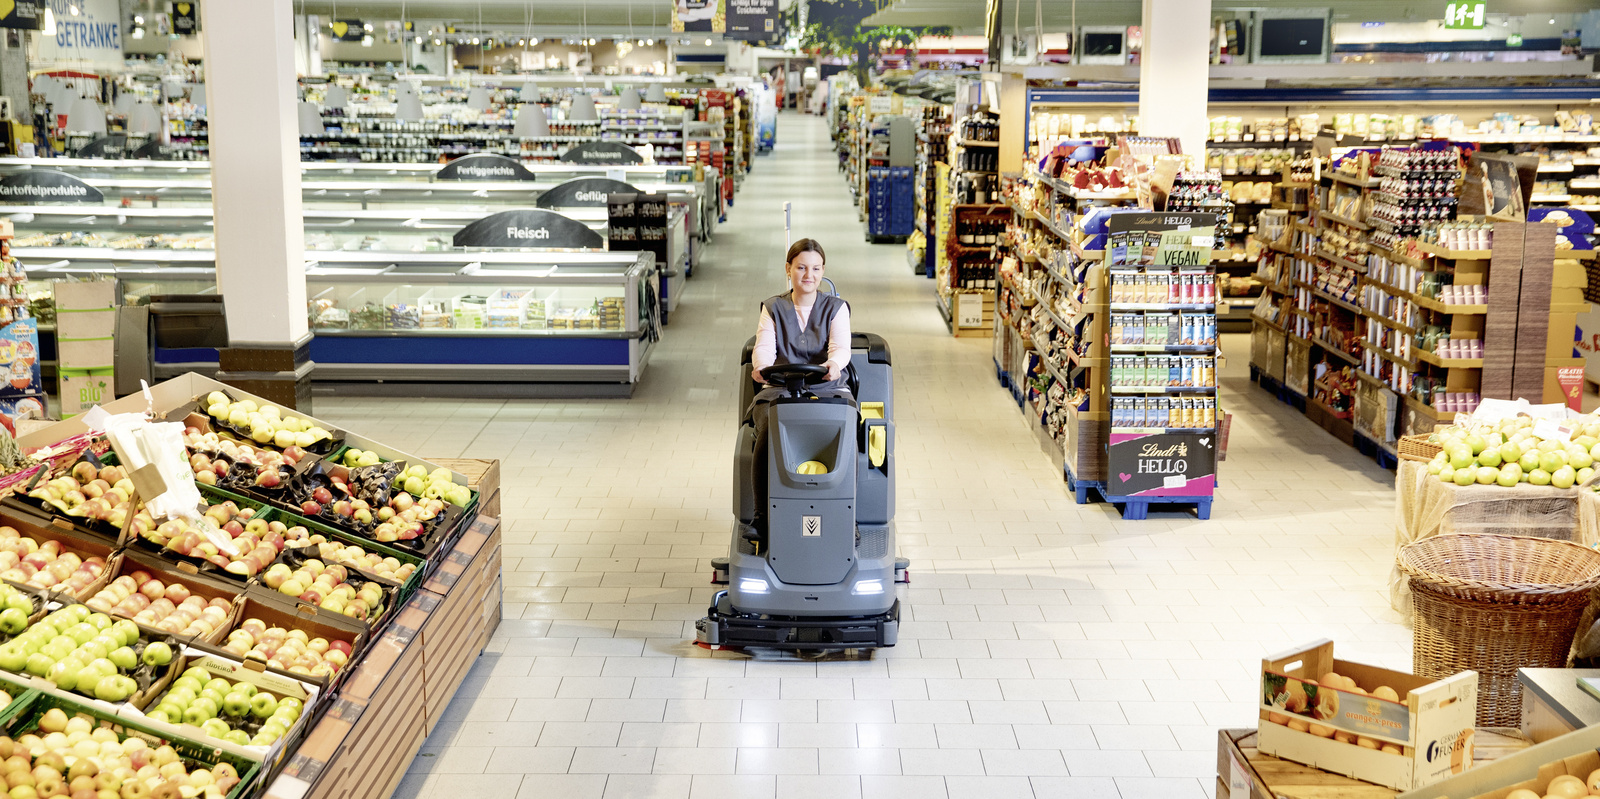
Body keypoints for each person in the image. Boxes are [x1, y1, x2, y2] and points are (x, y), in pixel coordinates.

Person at [749, 238, 852, 401]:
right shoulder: (772, 308)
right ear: (788, 269)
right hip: (780, 388)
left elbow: (840, 348)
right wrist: (761, 366)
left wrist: (834, 364)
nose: (809, 275)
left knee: (837, 421)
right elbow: (764, 347)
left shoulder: (837, 308)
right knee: (769, 420)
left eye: (816, 268)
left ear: (823, 270)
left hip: (828, 388)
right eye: (801, 268)